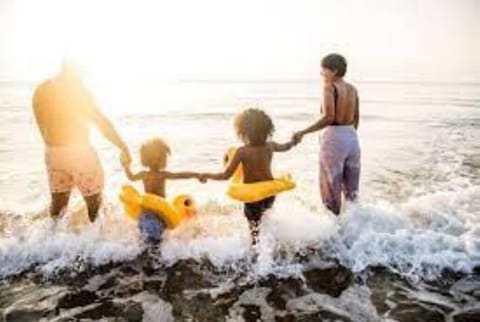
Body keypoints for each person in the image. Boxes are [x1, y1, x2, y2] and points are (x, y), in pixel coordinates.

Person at [33, 60, 130, 222]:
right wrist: (122, 146)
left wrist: (53, 145)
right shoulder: (78, 91)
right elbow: (101, 123)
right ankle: (97, 245)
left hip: (52, 153)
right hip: (80, 153)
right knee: (95, 205)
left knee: (58, 207)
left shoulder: (42, 89)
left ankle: (51, 242)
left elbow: (40, 122)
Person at [199, 108, 295, 244]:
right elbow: (286, 147)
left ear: (243, 132)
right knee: (265, 218)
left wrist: (206, 175)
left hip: (252, 197)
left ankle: (256, 252)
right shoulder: (270, 146)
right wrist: (294, 141)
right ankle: (268, 245)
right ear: (267, 130)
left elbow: (225, 175)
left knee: (254, 229)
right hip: (269, 194)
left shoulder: (242, 151)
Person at [293, 53, 360, 215]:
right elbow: (356, 118)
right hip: (352, 137)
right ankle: (355, 228)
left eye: (323, 70)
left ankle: (332, 235)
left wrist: (303, 132)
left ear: (334, 71)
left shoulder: (329, 87)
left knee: (330, 188)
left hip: (334, 137)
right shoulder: (352, 89)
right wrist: (347, 136)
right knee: (352, 191)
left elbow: (328, 117)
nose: (321, 74)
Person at [120, 137, 204, 243]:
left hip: (145, 214)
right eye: (165, 156)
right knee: (157, 242)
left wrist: (125, 166)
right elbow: (181, 175)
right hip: (158, 214)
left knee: (144, 241)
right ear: (161, 159)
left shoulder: (143, 174)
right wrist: (197, 175)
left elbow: (131, 177)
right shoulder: (162, 175)